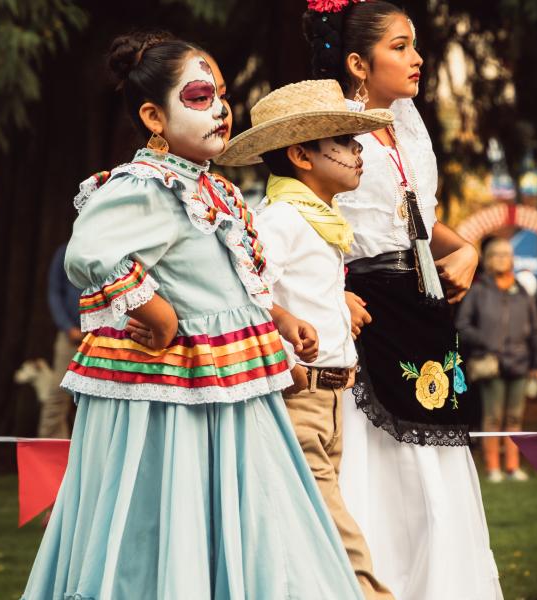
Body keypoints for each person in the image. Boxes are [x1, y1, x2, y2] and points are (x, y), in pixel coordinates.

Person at [21, 30, 365, 600]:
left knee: (247, 513)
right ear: (153, 116)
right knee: (170, 514)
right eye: (201, 97)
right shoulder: (147, 185)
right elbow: (89, 254)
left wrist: (279, 321)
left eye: (222, 96)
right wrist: (156, 313)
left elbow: (232, 280)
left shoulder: (215, 191)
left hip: (228, 386)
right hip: (175, 394)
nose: (221, 109)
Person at [303, 2, 503, 598]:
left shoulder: (409, 125)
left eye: (414, 44)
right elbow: (301, 213)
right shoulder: (331, 128)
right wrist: (331, 291)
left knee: (438, 470)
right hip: (366, 313)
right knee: (382, 468)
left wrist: (465, 248)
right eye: (399, 46)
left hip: (423, 311)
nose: (417, 58)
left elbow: (417, 220)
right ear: (358, 63)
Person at [219, 78, 395, 600]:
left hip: (333, 397)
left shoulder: (321, 222)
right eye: (344, 142)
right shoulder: (280, 221)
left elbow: (293, 290)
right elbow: (245, 294)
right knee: (335, 528)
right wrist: (282, 345)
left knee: (309, 530)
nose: (358, 152)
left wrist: (337, 302)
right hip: (301, 395)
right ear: (301, 155)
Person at [456, 238, 537, 483]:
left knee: (515, 418)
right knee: (492, 418)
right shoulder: (478, 291)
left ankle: (513, 467)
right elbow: (462, 324)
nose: (502, 258)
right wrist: (484, 340)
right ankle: (493, 467)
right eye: (496, 254)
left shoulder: (522, 292)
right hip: (490, 364)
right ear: (487, 259)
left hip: (520, 363)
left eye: (506, 254)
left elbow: (536, 331)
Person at [44, 243, 83, 438]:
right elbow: (54, 292)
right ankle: (51, 448)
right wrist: (67, 327)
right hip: (71, 337)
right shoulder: (65, 252)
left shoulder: (109, 247)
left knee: (97, 396)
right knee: (58, 395)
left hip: (103, 336)